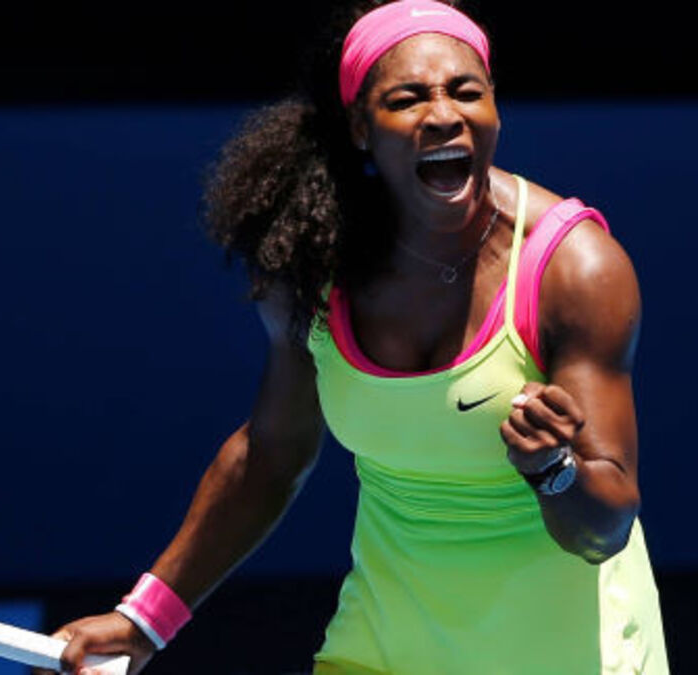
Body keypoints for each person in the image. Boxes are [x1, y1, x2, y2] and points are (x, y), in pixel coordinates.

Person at [38, 1, 668, 673]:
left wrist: (554, 470)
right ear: (361, 127)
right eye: (408, 98)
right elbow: (273, 454)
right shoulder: (312, 266)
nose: (444, 114)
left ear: (495, 109)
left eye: (466, 92)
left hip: (570, 656)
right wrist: (143, 620)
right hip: (381, 650)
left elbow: (604, 530)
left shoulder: (577, 269)